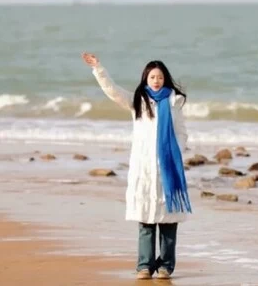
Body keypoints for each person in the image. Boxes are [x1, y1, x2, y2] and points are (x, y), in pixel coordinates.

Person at [81, 53, 192, 280]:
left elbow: (181, 132)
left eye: (160, 77)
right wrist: (98, 68)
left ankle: (166, 266)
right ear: (146, 79)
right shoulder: (137, 101)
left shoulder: (175, 102)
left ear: (165, 79)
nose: (156, 81)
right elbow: (112, 91)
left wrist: (175, 152)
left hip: (168, 169)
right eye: (152, 77)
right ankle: (144, 266)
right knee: (146, 221)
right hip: (144, 169)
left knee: (168, 222)